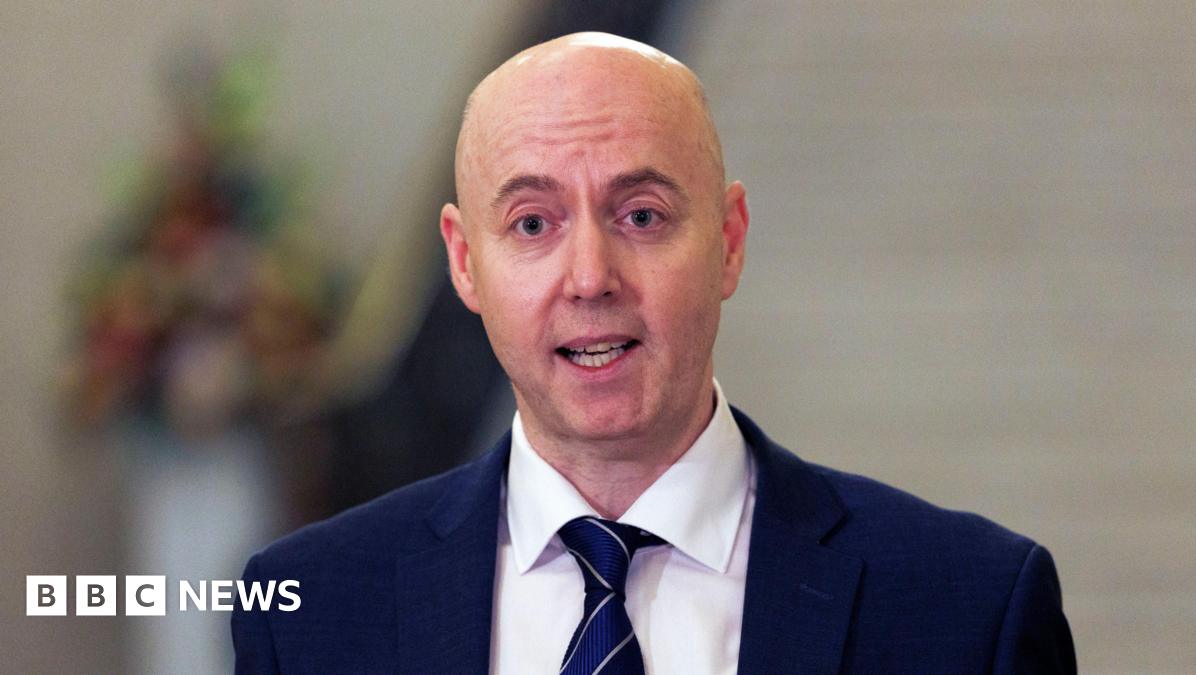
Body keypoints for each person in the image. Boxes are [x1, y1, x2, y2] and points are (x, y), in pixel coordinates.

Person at [232, 32, 1075, 674]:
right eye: (533, 223)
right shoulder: (309, 616)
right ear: (463, 261)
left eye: (641, 215)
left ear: (729, 240)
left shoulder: (971, 610)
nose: (589, 277)